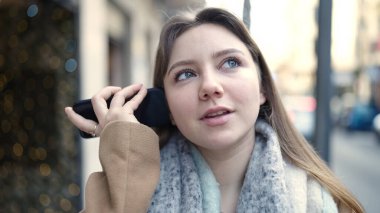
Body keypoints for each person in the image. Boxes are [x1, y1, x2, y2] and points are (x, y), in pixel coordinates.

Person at [65, 8, 364, 213]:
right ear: (166, 105)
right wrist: (125, 162)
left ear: (262, 88)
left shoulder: (319, 203)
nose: (210, 86)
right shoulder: (133, 180)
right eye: (185, 74)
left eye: (230, 63)